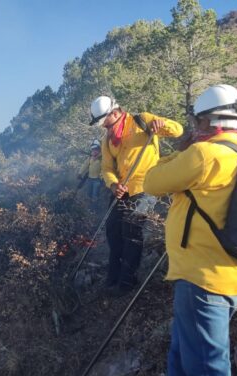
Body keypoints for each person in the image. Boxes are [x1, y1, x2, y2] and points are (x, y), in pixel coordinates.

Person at [144, 84, 237, 375]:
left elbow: (152, 181)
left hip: (202, 280)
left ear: (208, 120)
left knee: (207, 366)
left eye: (197, 121)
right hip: (230, 277)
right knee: (182, 358)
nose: (194, 126)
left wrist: (181, 150)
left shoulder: (204, 154)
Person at [89, 95, 183, 295]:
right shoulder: (107, 140)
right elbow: (106, 168)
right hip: (121, 191)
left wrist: (162, 124)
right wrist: (113, 184)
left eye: (104, 121)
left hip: (146, 187)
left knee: (131, 231)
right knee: (113, 230)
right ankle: (112, 277)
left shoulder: (142, 121)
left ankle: (127, 282)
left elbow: (178, 130)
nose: (103, 126)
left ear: (115, 113)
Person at [77, 139, 103, 206]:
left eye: (96, 149)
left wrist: (101, 177)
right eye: (93, 149)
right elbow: (85, 165)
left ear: (99, 149)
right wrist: (80, 173)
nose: (94, 151)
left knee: (95, 195)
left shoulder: (102, 158)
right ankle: (88, 208)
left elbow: (105, 169)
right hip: (89, 179)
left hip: (97, 180)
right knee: (88, 194)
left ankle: (94, 207)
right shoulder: (90, 157)